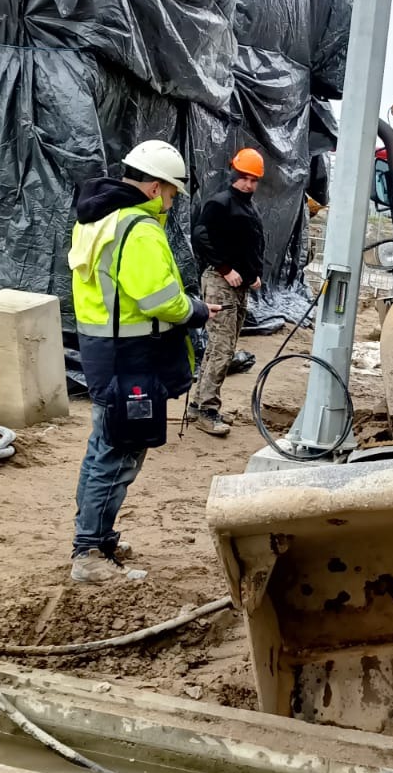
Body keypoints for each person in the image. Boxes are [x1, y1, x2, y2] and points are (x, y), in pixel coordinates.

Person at [68, 140, 216, 583]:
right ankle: (89, 554)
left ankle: (97, 537)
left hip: (106, 352)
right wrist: (198, 309)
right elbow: (159, 300)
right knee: (119, 452)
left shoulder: (97, 216)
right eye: (171, 193)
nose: (171, 201)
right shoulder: (138, 227)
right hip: (130, 357)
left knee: (104, 446)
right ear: (154, 187)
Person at [189, 148, 266, 437]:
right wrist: (224, 268)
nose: (249, 184)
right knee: (221, 348)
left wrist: (252, 274)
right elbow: (201, 236)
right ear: (234, 173)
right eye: (245, 178)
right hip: (221, 284)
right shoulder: (220, 203)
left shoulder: (247, 207)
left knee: (221, 347)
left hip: (239, 285)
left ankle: (199, 404)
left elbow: (248, 244)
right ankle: (207, 409)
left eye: (254, 180)